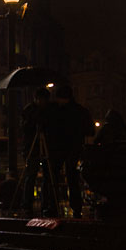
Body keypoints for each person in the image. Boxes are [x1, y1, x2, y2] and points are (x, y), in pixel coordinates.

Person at [44, 85, 94, 218]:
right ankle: (76, 207)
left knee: (54, 177)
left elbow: (48, 127)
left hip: (59, 148)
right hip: (74, 147)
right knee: (72, 178)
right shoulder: (80, 111)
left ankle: (53, 205)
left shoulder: (56, 111)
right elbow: (90, 130)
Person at [20, 88, 52, 212]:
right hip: (31, 146)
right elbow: (24, 127)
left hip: (45, 145)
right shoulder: (29, 110)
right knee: (30, 175)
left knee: (47, 176)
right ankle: (27, 203)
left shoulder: (48, 110)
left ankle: (46, 203)